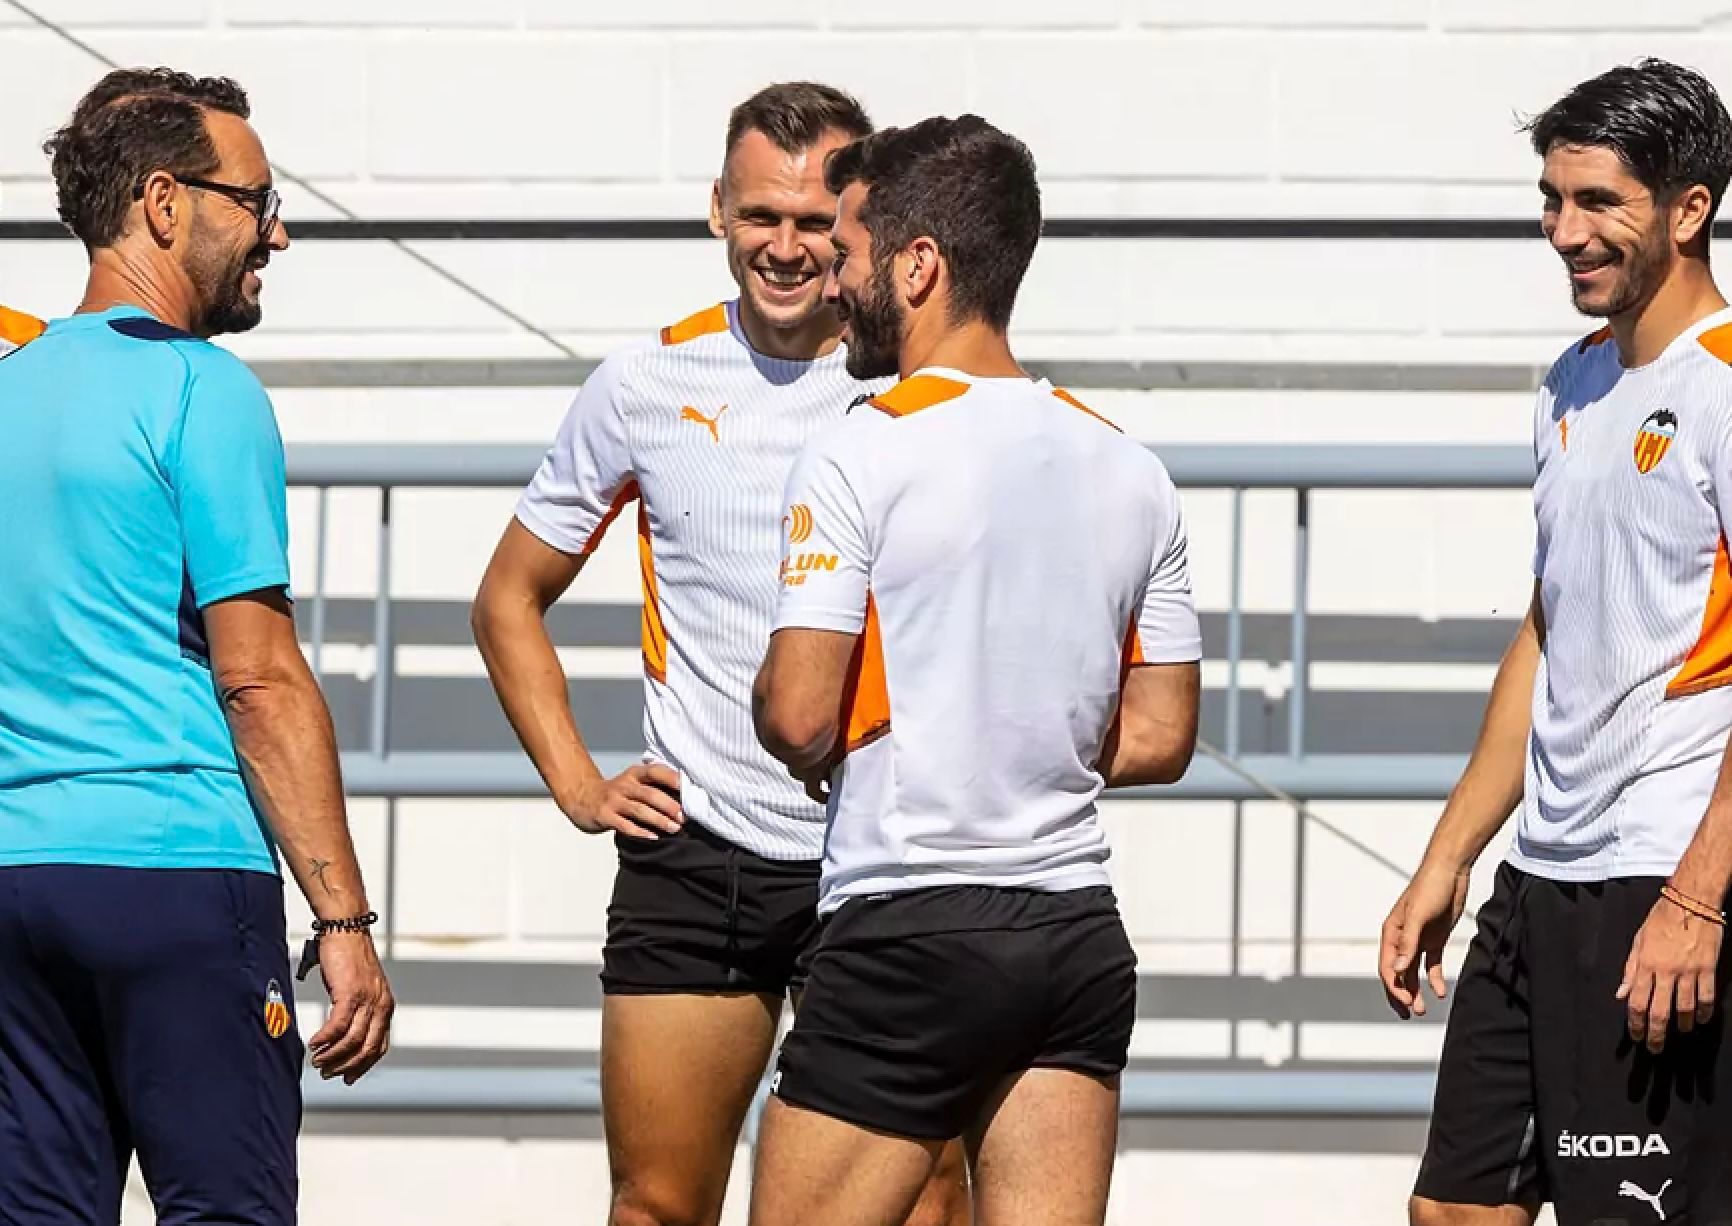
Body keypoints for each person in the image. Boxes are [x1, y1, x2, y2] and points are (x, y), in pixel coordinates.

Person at [472, 82, 971, 1226]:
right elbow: (507, 597)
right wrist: (577, 781)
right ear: (716, 209)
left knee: (924, 1201)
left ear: (863, 225)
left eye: (814, 221)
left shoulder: (921, 386)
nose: (785, 247)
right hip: (699, 856)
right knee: (656, 1204)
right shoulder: (643, 384)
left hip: (884, 856)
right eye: (760, 216)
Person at [750, 114, 1203, 1226]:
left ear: (918, 266)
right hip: (1073, 932)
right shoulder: (1128, 461)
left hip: (910, 924)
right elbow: (1160, 737)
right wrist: (1016, 726)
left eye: (848, 253)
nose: (832, 283)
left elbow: (799, 714)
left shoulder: (861, 445)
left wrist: (790, 714)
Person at [0, 68, 393, 1225]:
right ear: (164, 203)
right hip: (173, 875)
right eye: (257, 200)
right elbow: (258, 678)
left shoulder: (7, 390)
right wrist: (343, 921)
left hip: (17, 877)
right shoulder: (200, 388)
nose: (277, 231)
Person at [1380, 58, 1732, 1226]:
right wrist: (1447, 857)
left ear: (1687, 210)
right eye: (1551, 199)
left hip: (1660, 878)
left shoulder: (1725, 387)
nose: (1564, 231)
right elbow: (1548, 626)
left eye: (1597, 202)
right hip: (1541, 877)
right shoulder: (1570, 384)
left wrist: (1699, 898)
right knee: (1455, 1208)